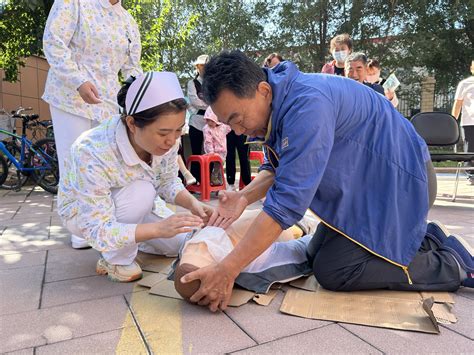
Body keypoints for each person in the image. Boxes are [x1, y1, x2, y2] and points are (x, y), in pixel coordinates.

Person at [179, 51, 473, 312]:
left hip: (405, 183)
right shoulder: (282, 97)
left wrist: (228, 270)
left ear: (263, 90)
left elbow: (286, 207)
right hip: (374, 185)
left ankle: (451, 265)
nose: (239, 132)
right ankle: (427, 237)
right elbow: (277, 164)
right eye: (230, 124)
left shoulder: (307, 106)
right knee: (314, 252)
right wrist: (244, 197)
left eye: (237, 118)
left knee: (335, 270)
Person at [57, 72, 214, 282]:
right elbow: (96, 228)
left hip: (140, 204)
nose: (171, 140)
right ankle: (115, 260)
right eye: (163, 133)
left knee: (180, 242)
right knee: (142, 191)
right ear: (131, 123)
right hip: (84, 215)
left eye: (178, 130)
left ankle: (132, 238)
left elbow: (166, 181)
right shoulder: (91, 151)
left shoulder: (169, 140)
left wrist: (193, 204)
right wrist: (158, 229)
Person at [42, 0, 142, 249]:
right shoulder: (73, 2)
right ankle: (80, 228)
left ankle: (103, 222)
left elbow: (132, 68)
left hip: (107, 102)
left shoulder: (128, 21)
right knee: (74, 161)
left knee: (105, 165)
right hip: (70, 95)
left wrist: (141, 93)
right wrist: (78, 80)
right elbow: (54, 42)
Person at [174, 209, 312, 299]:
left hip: (288, 219)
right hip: (282, 217)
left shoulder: (255, 265)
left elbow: (303, 251)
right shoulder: (191, 241)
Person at [187, 54, 210, 183]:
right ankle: (196, 180)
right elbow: (194, 101)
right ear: (197, 67)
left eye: (206, 66)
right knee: (196, 152)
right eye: (202, 66)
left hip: (211, 122)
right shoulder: (192, 83)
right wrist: (209, 105)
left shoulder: (213, 83)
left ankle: (208, 179)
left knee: (210, 152)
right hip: (196, 122)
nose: (204, 68)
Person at [452, 60, 474, 185]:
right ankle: (471, 175)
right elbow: (458, 103)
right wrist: (452, 121)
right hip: (469, 122)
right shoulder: (464, 84)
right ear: (472, 69)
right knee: (470, 149)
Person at [203, 107, 231, 185]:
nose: (210, 123)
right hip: (213, 152)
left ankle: (219, 183)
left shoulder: (223, 127)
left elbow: (229, 128)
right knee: (217, 164)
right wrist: (211, 151)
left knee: (221, 165)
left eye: (212, 120)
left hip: (223, 151)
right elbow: (208, 141)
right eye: (208, 120)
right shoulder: (207, 129)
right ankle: (214, 176)